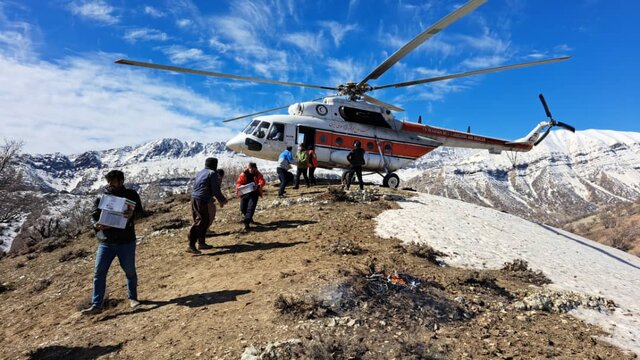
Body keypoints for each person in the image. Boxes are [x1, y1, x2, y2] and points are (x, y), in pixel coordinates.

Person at [82, 170, 144, 315]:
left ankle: (133, 298)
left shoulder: (131, 195)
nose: (110, 184)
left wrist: (132, 214)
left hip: (126, 241)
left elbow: (142, 213)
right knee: (99, 273)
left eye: (113, 181)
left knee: (129, 271)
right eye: (108, 181)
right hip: (106, 242)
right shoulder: (101, 198)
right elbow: (94, 216)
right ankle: (96, 304)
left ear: (121, 181)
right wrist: (96, 224)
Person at [188, 157, 228, 254]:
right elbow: (215, 189)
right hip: (201, 199)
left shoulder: (201, 172)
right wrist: (222, 200)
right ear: (215, 164)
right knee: (201, 221)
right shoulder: (212, 173)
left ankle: (201, 243)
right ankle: (191, 245)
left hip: (195, 198)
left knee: (203, 220)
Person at [235, 162, 266, 231]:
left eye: (252, 168)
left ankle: (247, 222)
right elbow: (238, 183)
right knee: (243, 208)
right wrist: (239, 187)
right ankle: (249, 218)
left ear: (255, 168)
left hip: (254, 194)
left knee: (250, 208)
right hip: (245, 193)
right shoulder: (244, 174)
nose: (251, 170)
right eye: (250, 168)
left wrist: (259, 185)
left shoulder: (258, 174)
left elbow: (262, 181)